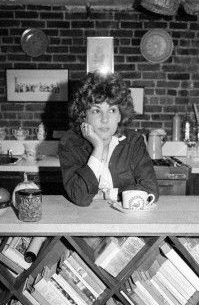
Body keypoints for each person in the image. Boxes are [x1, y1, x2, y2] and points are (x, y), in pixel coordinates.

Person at [58, 72, 159, 207]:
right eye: (96, 111)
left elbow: (151, 191)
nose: (105, 119)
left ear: (120, 116)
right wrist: (98, 148)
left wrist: (106, 194)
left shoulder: (133, 142)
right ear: (84, 116)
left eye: (112, 110)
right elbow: (80, 197)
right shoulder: (70, 143)